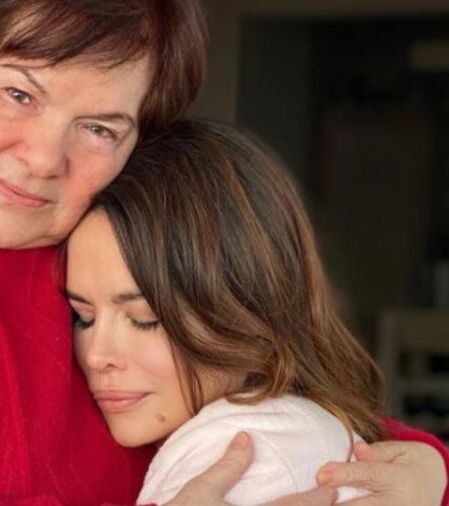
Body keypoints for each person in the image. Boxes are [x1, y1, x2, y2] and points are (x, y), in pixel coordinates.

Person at [0, 1, 448, 504]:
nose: (42, 158)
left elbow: (267, 402)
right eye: (19, 93)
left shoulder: (111, 239)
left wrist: (427, 470)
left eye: (99, 128)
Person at [67, 119, 449, 505]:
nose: (96, 356)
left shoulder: (247, 456)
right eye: (83, 317)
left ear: (247, 308)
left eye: (144, 320)